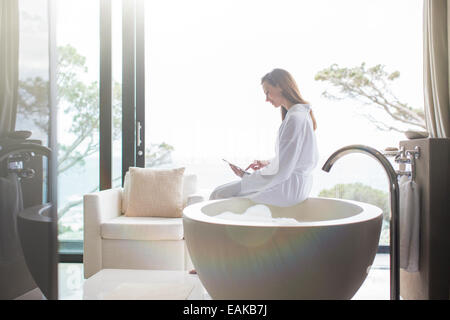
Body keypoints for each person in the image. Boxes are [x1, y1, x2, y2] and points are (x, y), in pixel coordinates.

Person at [189, 68, 319, 274]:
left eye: (268, 92)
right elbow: (291, 159)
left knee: (218, 194)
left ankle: (211, 262)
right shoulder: (299, 115)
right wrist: (266, 164)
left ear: (280, 86)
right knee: (223, 193)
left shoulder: (294, 118)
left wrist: (248, 178)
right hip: (295, 184)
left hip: (288, 187)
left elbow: (284, 171)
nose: (266, 99)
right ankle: (219, 259)